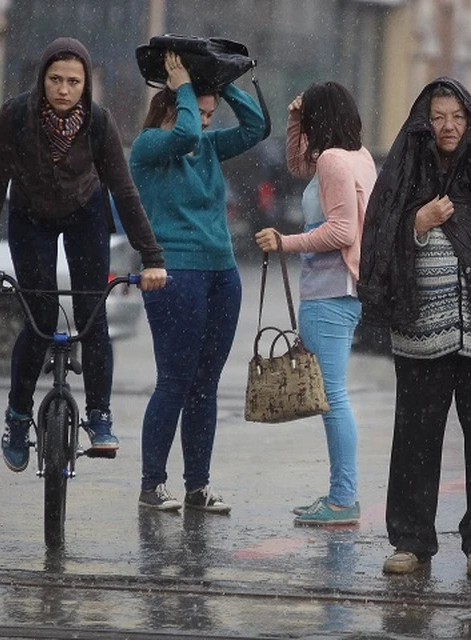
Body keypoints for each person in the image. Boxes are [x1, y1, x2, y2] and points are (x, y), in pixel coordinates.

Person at [0, 37, 168, 473]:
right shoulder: (16, 117)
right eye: (55, 79)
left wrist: (152, 258)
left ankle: (100, 416)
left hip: (85, 213)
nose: (63, 89)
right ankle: (18, 418)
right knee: (38, 318)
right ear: (42, 79)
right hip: (29, 216)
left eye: (74, 81)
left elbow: (125, 193)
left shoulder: (99, 122)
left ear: (85, 84)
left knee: (93, 315)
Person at [358, 78, 471, 578]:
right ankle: (411, 541)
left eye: (456, 117)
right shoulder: (405, 172)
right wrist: (419, 220)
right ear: (423, 121)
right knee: (415, 441)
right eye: (438, 117)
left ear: (470, 119)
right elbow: (380, 234)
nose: (448, 126)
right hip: (420, 334)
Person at [130, 52, 266, 514]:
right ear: (171, 104)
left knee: (205, 385)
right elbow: (184, 131)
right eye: (198, 112)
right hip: (176, 272)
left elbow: (256, 128)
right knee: (174, 381)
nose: (205, 124)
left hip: (221, 273)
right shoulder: (149, 145)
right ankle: (152, 485)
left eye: (210, 115)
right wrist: (185, 86)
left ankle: (197, 486)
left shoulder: (206, 146)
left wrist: (222, 83)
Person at [254, 82, 377, 526]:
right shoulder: (355, 157)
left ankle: (343, 500)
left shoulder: (333, 161)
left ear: (318, 120)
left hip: (330, 290)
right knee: (332, 397)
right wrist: (292, 122)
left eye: (306, 119)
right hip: (340, 290)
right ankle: (340, 495)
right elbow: (295, 164)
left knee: (333, 398)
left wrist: (285, 242)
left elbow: (343, 231)